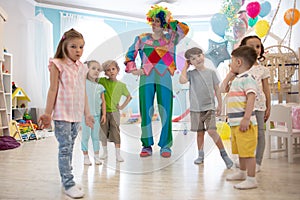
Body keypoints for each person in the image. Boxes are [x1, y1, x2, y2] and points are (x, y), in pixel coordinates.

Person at [124, 5, 189, 158]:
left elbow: (184, 29)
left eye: (158, 21)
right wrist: (134, 69)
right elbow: (129, 55)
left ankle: (166, 144)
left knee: (166, 110)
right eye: (153, 21)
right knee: (146, 110)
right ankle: (146, 145)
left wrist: (169, 21)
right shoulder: (142, 38)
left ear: (163, 23)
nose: (154, 24)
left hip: (164, 75)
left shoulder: (171, 37)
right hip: (146, 76)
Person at [38, 28, 94, 199]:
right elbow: (53, 89)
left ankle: (67, 180)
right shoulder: (57, 64)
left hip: (76, 115)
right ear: (64, 46)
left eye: (81, 47)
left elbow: (83, 91)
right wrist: (47, 114)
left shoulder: (82, 68)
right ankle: (68, 183)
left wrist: (87, 114)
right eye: (73, 47)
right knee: (64, 148)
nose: (78, 50)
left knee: (70, 148)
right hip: (62, 114)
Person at [179, 47, 233, 169]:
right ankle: (200, 155)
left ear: (203, 56)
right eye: (193, 58)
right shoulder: (190, 74)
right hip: (195, 109)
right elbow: (182, 81)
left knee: (212, 131)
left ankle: (224, 155)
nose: (197, 59)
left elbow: (217, 89)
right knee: (200, 133)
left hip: (209, 107)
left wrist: (220, 104)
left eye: (198, 56)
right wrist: (185, 67)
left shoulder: (211, 72)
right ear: (190, 62)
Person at [221, 46, 259, 189]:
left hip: (244, 123)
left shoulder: (248, 78)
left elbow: (251, 98)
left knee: (248, 153)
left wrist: (246, 118)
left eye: (231, 61)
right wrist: (229, 76)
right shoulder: (238, 78)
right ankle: (242, 172)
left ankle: (251, 178)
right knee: (241, 151)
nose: (230, 64)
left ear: (238, 62)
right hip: (235, 123)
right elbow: (221, 89)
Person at [239, 35, 271, 172]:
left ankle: (258, 162)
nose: (255, 49)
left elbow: (266, 90)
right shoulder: (240, 68)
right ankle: (244, 160)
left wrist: (269, 106)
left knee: (260, 134)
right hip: (243, 106)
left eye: (257, 46)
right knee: (243, 134)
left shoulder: (263, 70)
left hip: (259, 106)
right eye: (251, 46)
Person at [98, 60, 132, 162]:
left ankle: (118, 154)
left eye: (113, 69)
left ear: (117, 70)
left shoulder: (122, 85)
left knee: (116, 132)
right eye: (108, 70)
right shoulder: (103, 81)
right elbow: (92, 76)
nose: (111, 72)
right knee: (103, 132)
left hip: (115, 113)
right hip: (103, 112)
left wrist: (121, 107)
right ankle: (105, 152)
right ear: (105, 72)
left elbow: (129, 97)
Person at [81, 60, 106, 166]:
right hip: (85, 116)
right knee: (85, 137)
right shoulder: (83, 83)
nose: (96, 71)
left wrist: (104, 114)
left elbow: (103, 102)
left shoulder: (100, 87)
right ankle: (85, 157)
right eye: (93, 68)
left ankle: (96, 156)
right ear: (87, 70)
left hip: (97, 115)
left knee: (96, 137)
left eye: (98, 69)